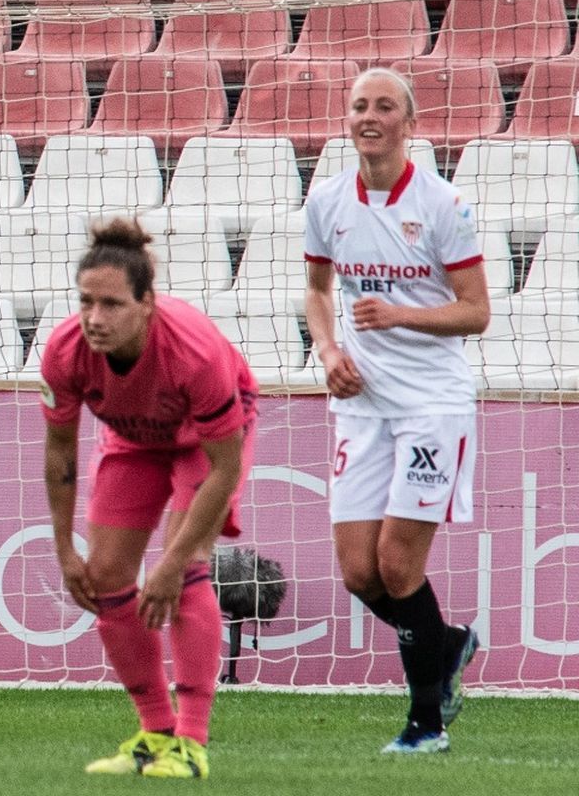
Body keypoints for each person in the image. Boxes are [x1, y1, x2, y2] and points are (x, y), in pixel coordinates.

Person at [304, 66, 487, 754]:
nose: (368, 116)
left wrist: (400, 313)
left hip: (432, 407)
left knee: (397, 565)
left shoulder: (443, 205)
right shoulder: (325, 202)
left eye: (384, 106)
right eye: (358, 106)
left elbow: (477, 312)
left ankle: (426, 725)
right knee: (359, 573)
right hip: (362, 405)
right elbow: (318, 291)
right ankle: (450, 644)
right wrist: (327, 352)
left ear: (410, 124)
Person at [40, 218, 258, 780]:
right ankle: (155, 734)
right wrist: (65, 550)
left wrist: (170, 561)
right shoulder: (64, 352)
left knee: (184, 572)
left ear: (147, 304)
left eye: (111, 304)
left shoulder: (194, 352)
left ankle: (192, 745)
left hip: (206, 448)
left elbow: (224, 466)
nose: (94, 318)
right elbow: (60, 453)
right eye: (86, 302)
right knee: (106, 578)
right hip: (135, 439)